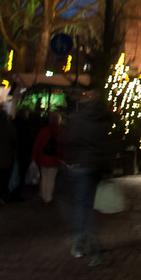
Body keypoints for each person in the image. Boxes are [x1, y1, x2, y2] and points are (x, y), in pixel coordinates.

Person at [63, 89, 113, 266]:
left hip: (78, 166)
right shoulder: (101, 122)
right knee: (86, 205)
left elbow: (70, 141)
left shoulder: (77, 119)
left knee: (81, 206)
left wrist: (70, 162)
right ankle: (83, 243)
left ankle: (85, 245)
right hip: (93, 167)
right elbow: (105, 147)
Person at [30, 112, 64, 203]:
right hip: (55, 159)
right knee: (51, 178)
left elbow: (37, 145)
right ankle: (48, 197)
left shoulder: (44, 130)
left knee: (44, 177)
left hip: (43, 158)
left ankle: (44, 196)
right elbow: (63, 146)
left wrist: (34, 158)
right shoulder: (60, 131)